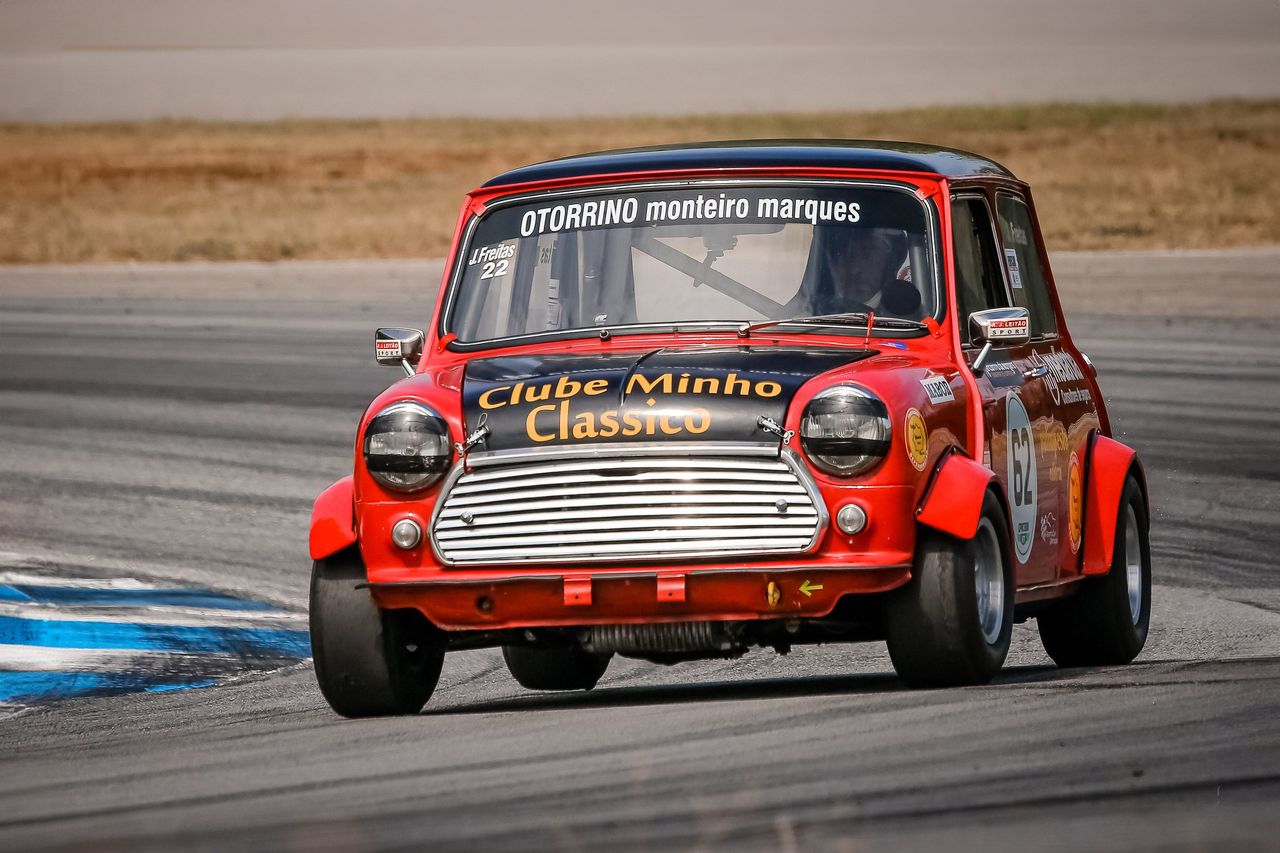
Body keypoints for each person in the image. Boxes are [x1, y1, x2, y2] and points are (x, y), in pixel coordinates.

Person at [781, 227, 916, 317]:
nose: (855, 268)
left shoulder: (909, 323)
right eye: (845, 255)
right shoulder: (803, 315)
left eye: (867, 255)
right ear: (831, 265)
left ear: (888, 263)